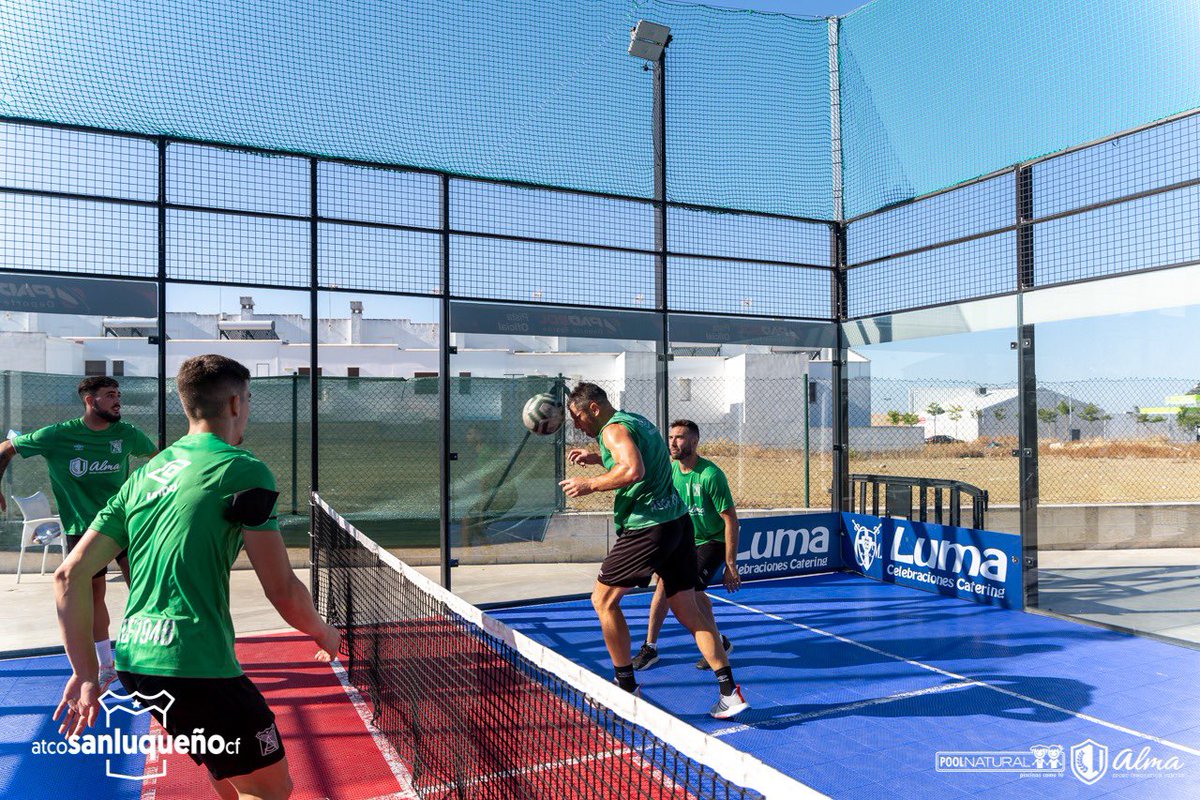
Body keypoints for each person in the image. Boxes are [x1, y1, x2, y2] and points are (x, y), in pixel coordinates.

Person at [53, 354, 341, 800]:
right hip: (195, 665)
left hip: (136, 665)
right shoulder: (243, 469)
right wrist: (323, 631)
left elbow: (69, 575)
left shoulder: (143, 476)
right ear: (232, 403)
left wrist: (87, 672)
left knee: (226, 771)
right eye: (247, 400)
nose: (247, 409)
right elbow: (281, 587)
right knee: (270, 789)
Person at [558, 383, 748, 719]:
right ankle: (729, 691)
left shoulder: (612, 430)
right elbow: (646, 456)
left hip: (649, 527)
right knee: (689, 610)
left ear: (594, 409)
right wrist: (597, 458)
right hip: (678, 523)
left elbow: (633, 470)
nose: (576, 425)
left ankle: (626, 687)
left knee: (603, 601)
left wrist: (589, 484)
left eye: (577, 417)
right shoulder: (636, 421)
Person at [0, 376, 156, 691]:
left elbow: (160, 461)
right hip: (83, 528)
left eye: (118, 395)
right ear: (90, 400)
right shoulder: (59, 435)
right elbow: (6, 448)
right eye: (110, 395)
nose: (118, 401)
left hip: (125, 521)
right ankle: (106, 666)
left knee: (144, 588)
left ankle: (152, 654)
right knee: (93, 596)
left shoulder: (127, 434)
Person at [632, 420, 740, 671]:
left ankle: (660, 647)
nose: (673, 442)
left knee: (681, 589)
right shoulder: (670, 472)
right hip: (683, 540)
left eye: (679, 437)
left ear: (694, 442)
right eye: (670, 437)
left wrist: (730, 564)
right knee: (673, 587)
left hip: (712, 541)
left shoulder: (710, 475)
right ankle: (711, 643)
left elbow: (731, 519)